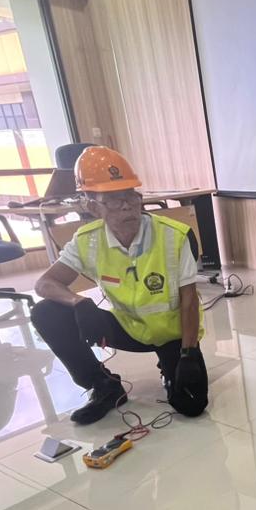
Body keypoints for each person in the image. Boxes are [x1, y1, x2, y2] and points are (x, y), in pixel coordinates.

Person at [31, 147, 208, 425]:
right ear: (91, 206)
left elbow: (189, 300)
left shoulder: (173, 236)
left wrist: (188, 354)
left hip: (173, 333)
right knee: (46, 313)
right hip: (127, 328)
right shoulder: (87, 240)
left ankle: (171, 363)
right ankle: (103, 385)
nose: (126, 206)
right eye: (113, 200)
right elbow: (45, 283)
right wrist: (79, 302)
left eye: (131, 196)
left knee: (191, 405)